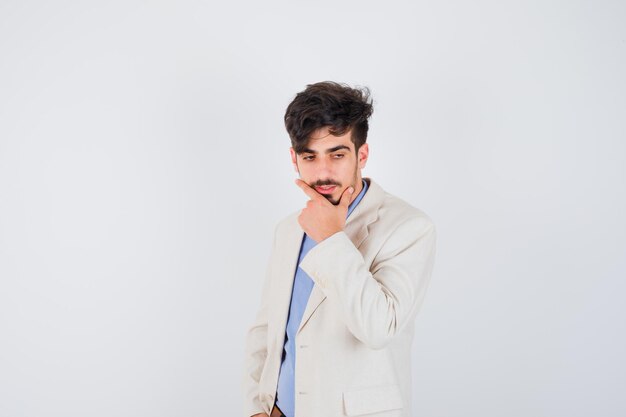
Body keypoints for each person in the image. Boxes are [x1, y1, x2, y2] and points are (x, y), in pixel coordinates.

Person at [241, 81, 437, 417]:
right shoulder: (289, 229)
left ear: (362, 154)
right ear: (294, 159)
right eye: (309, 156)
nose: (323, 172)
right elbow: (267, 330)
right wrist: (259, 406)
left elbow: (378, 329)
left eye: (337, 154)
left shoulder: (410, 227)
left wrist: (332, 239)